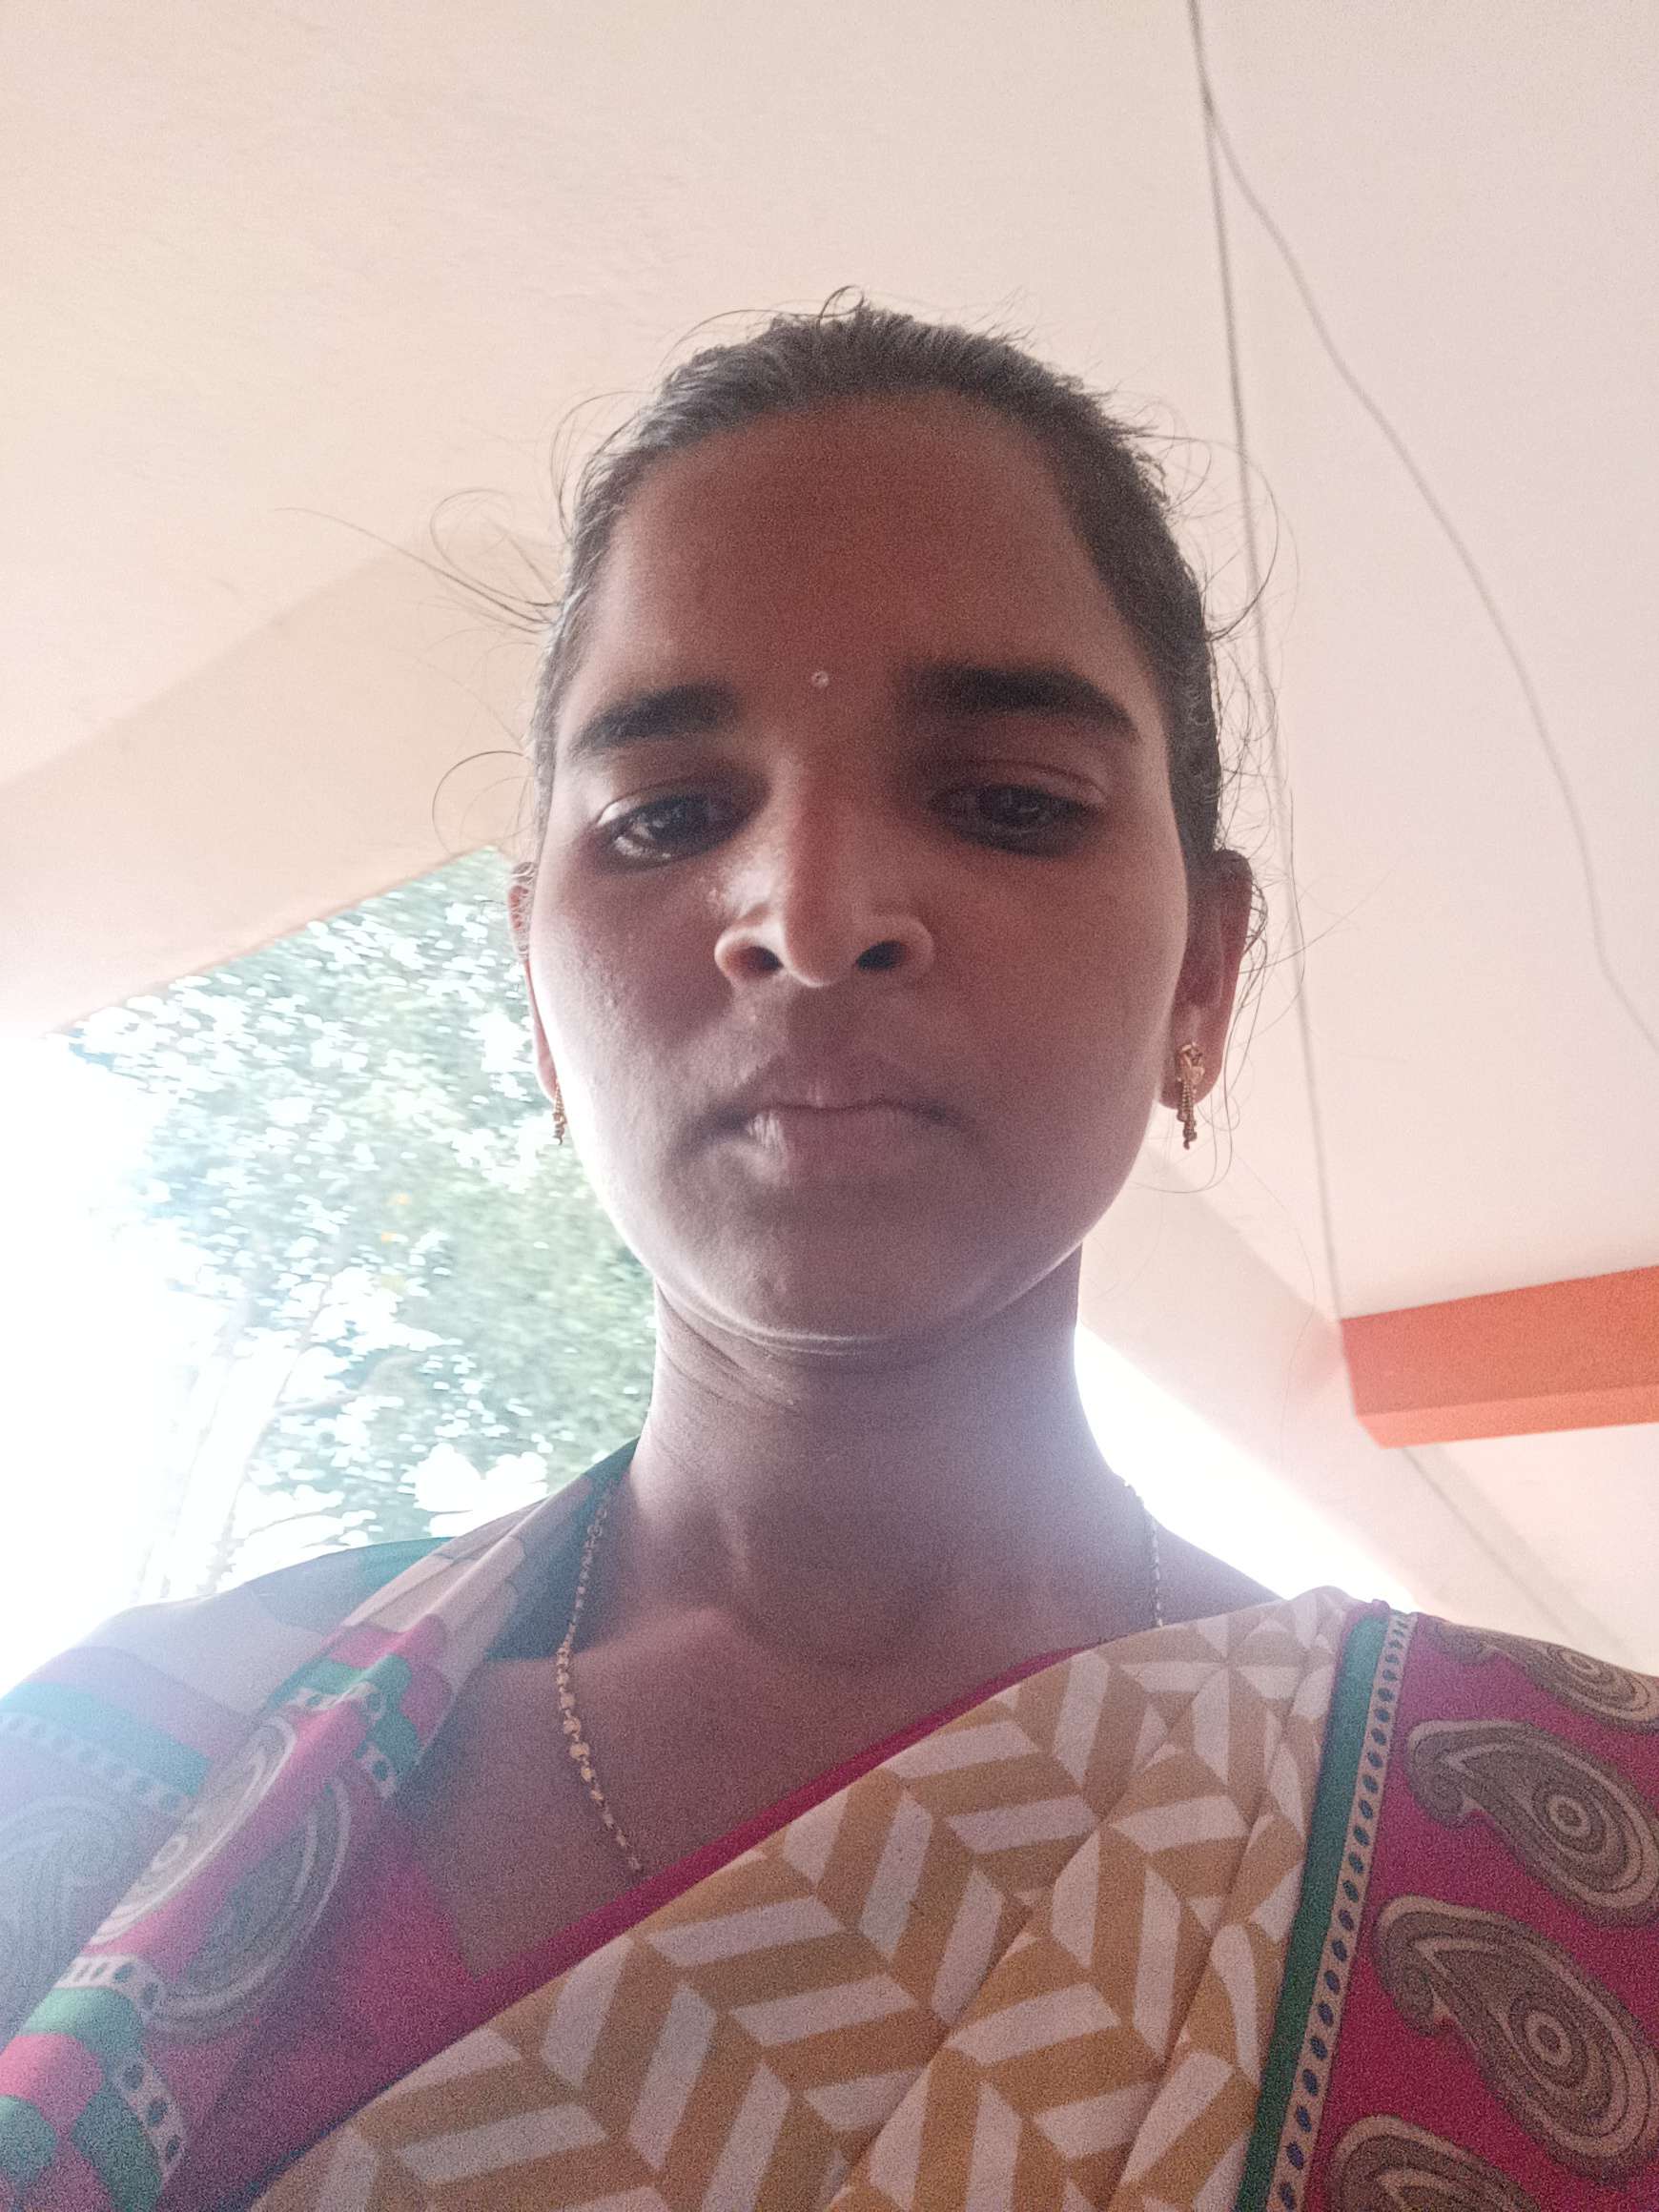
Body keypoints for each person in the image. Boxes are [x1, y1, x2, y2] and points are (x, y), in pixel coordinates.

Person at [2, 297, 1655, 2212]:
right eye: (668, 816)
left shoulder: (1560, 1853)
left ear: (1203, 974)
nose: (809, 907)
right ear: (535, 985)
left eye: (1009, 803)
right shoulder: (111, 1787)